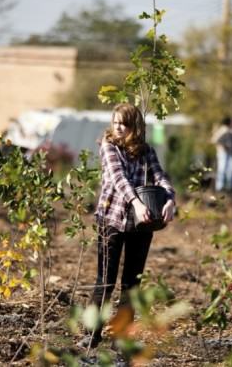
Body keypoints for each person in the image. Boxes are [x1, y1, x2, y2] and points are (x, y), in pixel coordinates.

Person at [80, 103, 176, 349]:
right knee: (106, 280)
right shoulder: (108, 145)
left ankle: (121, 336)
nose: (119, 127)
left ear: (135, 127)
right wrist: (136, 202)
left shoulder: (146, 151)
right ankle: (91, 335)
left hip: (141, 223)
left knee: (132, 283)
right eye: (116, 122)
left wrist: (170, 199)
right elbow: (118, 177)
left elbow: (160, 176)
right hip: (111, 220)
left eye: (124, 123)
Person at [211, 116, 232, 192]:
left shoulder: (225, 129)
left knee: (225, 169)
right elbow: (214, 139)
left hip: (224, 152)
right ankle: (220, 187)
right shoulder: (224, 129)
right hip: (223, 152)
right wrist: (223, 146)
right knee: (222, 169)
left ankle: (222, 186)